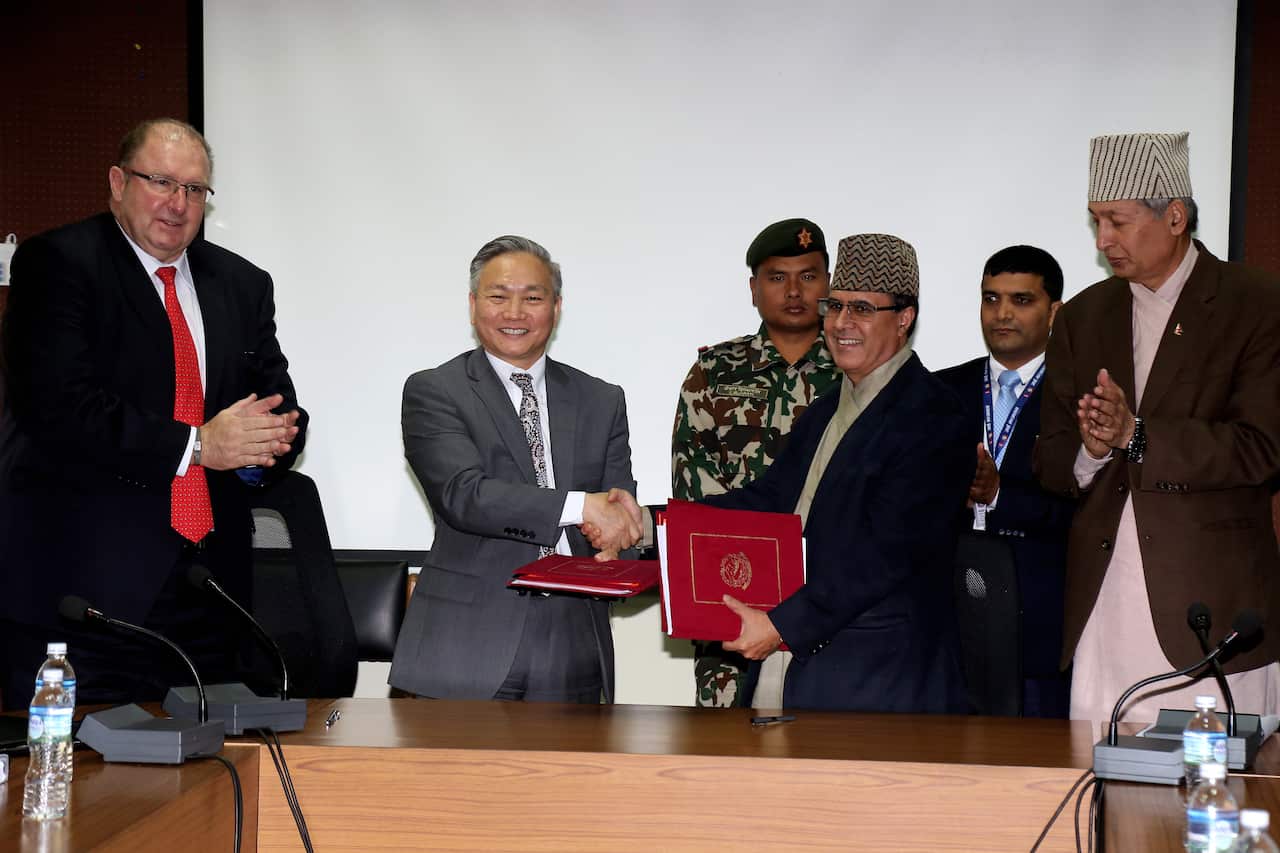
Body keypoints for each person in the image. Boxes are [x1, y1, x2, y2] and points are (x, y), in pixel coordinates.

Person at [0, 118, 305, 707]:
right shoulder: (58, 263)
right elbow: (56, 408)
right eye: (161, 181)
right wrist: (198, 445)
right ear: (117, 182)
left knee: (208, 783)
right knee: (85, 787)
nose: (178, 203)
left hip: (210, 591)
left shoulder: (241, 283)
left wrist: (263, 444)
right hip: (84, 599)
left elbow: (276, 401)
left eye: (195, 190)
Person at [637, 233, 971, 711]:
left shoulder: (934, 415)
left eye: (861, 309)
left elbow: (884, 555)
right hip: (797, 670)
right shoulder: (826, 409)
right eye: (834, 307)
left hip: (879, 687)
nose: (840, 324)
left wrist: (780, 627)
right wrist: (649, 524)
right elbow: (766, 505)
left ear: (904, 318)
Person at [1036, 132, 1280, 724]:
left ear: (1174, 216)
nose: (1102, 241)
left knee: (1216, 798)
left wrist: (1136, 436)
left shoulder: (1255, 304)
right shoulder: (1085, 316)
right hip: (1106, 599)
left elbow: (1260, 449)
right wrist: (1091, 452)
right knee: (1102, 793)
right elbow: (1050, 457)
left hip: (1211, 606)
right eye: (1095, 222)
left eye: (1117, 221)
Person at [389, 235, 642, 703]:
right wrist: (579, 505)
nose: (515, 313)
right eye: (498, 296)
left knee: (573, 777)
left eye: (533, 297)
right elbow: (465, 495)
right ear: (472, 305)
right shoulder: (435, 391)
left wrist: (621, 544)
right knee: (458, 779)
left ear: (557, 307)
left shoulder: (602, 400)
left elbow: (616, 507)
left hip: (574, 645)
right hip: (465, 647)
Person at [671, 217, 839, 708]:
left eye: (808, 276)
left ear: (828, 284)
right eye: (776, 277)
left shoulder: (856, 374)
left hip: (828, 609)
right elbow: (695, 496)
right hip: (731, 603)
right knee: (725, 758)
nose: (793, 291)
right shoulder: (714, 373)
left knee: (831, 758)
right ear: (753, 288)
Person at [936, 245, 1074, 718]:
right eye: (991, 298)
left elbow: (1088, 511)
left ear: (1054, 310)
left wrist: (999, 496)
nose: (1002, 314)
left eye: (1021, 300)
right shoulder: (939, 392)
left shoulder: (1079, 400)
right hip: (946, 624)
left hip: (1036, 627)